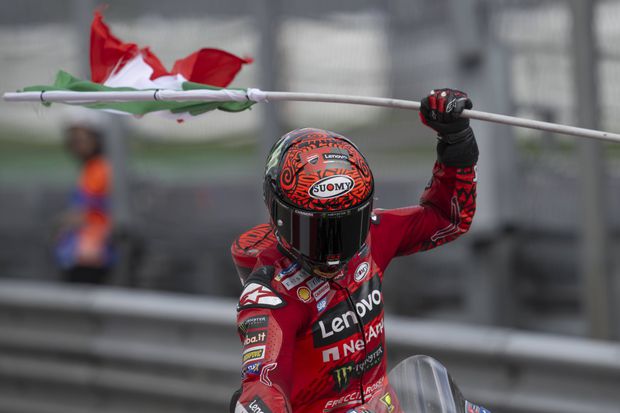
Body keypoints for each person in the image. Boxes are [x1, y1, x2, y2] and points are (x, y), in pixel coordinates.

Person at [230, 89, 478, 413]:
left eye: (347, 227)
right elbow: (262, 382)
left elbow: (447, 218)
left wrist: (455, 141)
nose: (334, 248)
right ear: (279, 216)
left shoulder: (372, 237)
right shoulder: (271, 295)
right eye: (316, 231)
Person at [53, 110, 114, 284]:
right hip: (86, 251)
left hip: (90, 252)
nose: (76, 145)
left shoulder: (98, 168)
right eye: (73, 140)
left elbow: (87, 210)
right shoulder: (92, 168)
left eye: (82, 139)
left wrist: (63, 222)